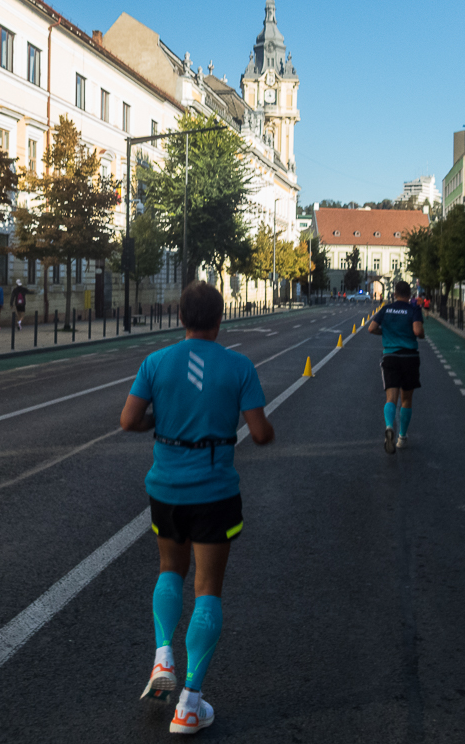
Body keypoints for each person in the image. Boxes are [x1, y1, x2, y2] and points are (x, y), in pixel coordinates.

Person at [120, 281, 274, 735]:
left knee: (170, 569)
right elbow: (260, 433)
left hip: (165, 488)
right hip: (214, 491)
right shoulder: (239, 366)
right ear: (220, 318)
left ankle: (162, 656)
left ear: (181, 317)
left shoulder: (156, 362)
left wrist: (159, 421)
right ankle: (189, 704)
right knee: (207, 589)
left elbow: (128, 420)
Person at [367, 280, 425, 453]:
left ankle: (389, 426)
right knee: (406, 399)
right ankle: (402, 437)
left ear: (394, 294)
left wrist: (384, 332)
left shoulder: (386, 309)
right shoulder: (413, 309)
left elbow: (371, 328)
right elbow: (417, 331)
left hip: (390, 356)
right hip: (409, 357)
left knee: (390, 397)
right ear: (409, 295)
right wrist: (421, 333)